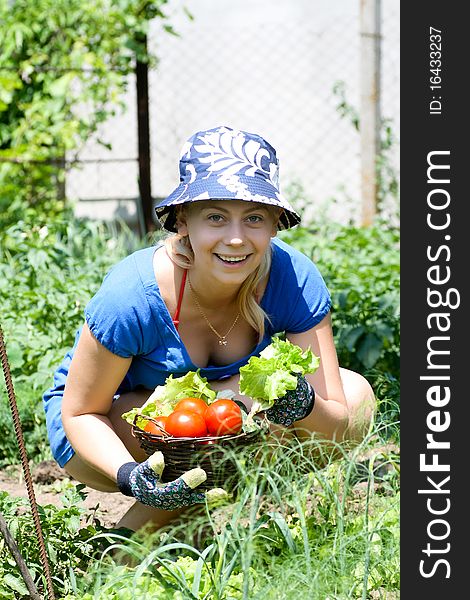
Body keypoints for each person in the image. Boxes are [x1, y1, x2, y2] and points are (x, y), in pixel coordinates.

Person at [42, 125, 375, 532]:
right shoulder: (133, 293)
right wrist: (131, 475)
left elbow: (339, 423)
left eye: (254, 218)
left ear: (275, 224)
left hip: (218, 421)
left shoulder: (294, 279)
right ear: (183, 222)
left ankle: (147, 539)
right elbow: (80, 412)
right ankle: (135, 543)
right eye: (216, 217)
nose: (235, 239)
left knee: (355, 394)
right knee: (241, 425)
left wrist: (305, 404)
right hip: (105, 435)